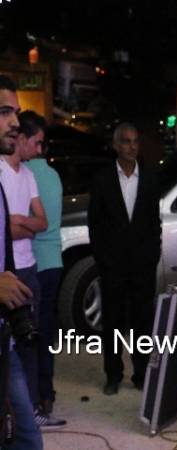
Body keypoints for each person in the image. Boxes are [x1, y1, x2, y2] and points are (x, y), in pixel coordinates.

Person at [0, 106, 67, 430]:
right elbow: (7, 231)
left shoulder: (28, 176)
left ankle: (31, 411)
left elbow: (43, 223)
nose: (40, 150)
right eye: (37, 142)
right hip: (7, 272)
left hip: (30, 269)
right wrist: (17, 225)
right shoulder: (1, 171)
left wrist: (18, 222)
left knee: (30, 342)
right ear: (22, 139)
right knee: (10, 348)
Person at [88, 123, 162, 395]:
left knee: (143, 322)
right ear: (116, 145)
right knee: (113, 323)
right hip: (113, 267)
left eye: (135, 141)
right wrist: (103, 260)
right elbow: (95, 224)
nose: (131, 146)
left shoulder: (150, 178)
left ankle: (141, 374)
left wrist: (152, 255)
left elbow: (154, 222)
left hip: (143, 266)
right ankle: (113, 374)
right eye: (126, 141)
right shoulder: (102, 179)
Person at [0, 74, 43, 450]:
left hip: (4, 338)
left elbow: (38, 223)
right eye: (4, 112)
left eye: (15, 112)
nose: (15, 122)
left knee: (27, 438)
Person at [23, 112, 63, 415]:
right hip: (55, 262)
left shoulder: (23, 175)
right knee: (46, 331)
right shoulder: (53, 176)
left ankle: (32, 398)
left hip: (33, 261)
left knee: (28, 335)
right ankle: (47, 394)